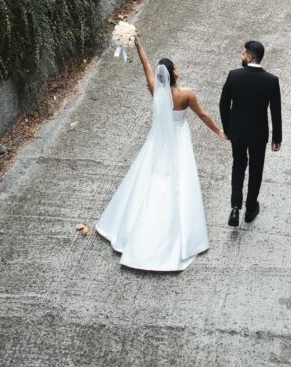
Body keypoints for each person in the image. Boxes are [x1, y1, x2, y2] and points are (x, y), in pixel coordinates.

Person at [96, 34, 226, 271]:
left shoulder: (156, 90)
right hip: (178, 141)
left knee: (149, 177)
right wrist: (218, 130)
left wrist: (138, 43)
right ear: (173, 72)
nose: (178, 69)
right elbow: (203, 115)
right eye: (175, 67)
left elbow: (146, 65)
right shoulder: (187, 93)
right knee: (180, 180)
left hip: (157, 142)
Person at [219, 39, 282, 227]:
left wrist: (228, 128)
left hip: (237, 132)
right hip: (258, 134)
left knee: (238, 165)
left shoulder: (234, 76)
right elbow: (275, 111)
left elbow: (223, 104)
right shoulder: (271, 80)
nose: (241, 56)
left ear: (248, 56)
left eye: (242, 53)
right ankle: (250, 208)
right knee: (256, 169)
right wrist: (277, 137)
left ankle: (235, 208)